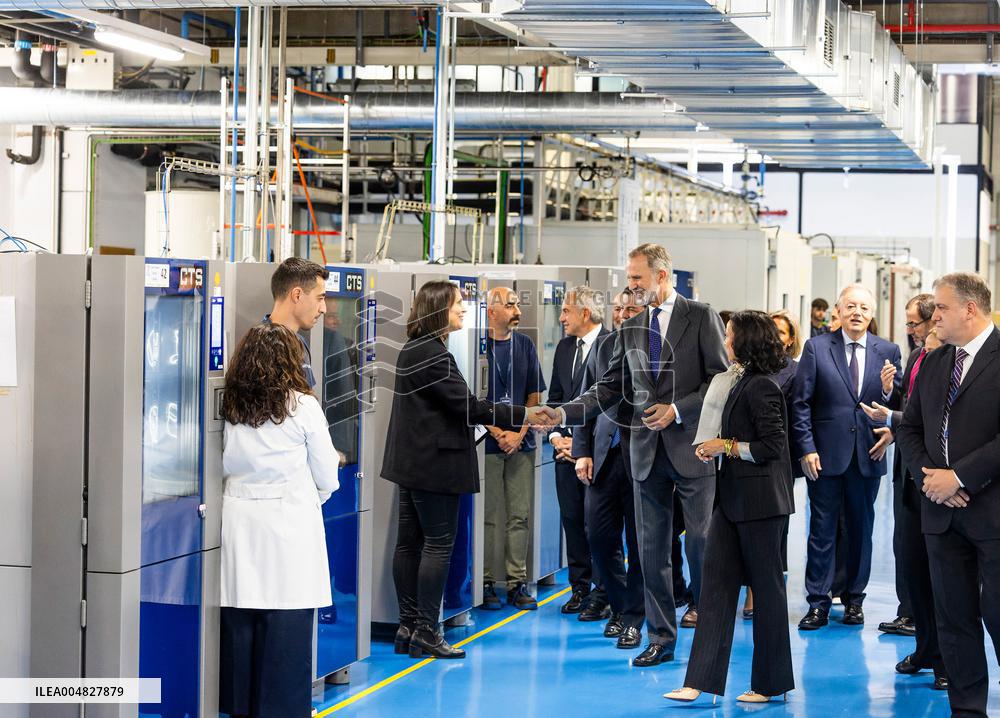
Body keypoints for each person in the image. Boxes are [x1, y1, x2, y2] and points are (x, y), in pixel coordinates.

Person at [545, 243, 728, 667]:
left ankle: (711, 628)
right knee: (651, 550)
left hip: (691, 451)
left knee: (700, 544)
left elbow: (720, 381)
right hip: (644, 454)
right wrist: (562, 412)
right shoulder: (631, 329)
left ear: (661, 277)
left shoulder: (700, 317)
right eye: (628, 279)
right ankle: (661, 637)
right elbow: (607, 388)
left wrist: (677, 409)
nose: (630, 287)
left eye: (636, 279)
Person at [382, 281, 546, 659]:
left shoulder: (414, 349)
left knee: (409, 543)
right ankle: (426, 629)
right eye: (457, 304)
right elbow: (469, 406)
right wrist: (524, 413)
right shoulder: (433, 355)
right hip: (434, 466)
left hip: (411, 463)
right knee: (437, 545)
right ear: (439, 309)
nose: (463, 309)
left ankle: (408, 626)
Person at [664, 311, 794, 705]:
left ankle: (771, 684)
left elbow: (773, 447)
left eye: (730, 335)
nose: (725, 341)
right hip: (732, 502)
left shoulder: (762, 388)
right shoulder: (737, 380)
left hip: (762, 505)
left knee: (767, 592)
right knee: (716, 590)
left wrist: (727, 446)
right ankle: (699, 681)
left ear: (746, 341)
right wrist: (715, 444)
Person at [219, 323, 341, 718]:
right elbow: (327, 474)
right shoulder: (302, 407)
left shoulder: (229, 406)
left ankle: (240, 707)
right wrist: (306, 498)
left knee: (240, 623)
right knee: (286, 633)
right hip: (289, 528)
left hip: (238, 522)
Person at [897, 272, 1000, 718]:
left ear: (969, 309)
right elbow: (910, 427)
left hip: (993, 514)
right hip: (941, 514)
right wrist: (931, 478)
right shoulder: (936, 362)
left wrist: (959, 477)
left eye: (940, 308)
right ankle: (968, 710)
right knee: (954, 622)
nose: (931, 317)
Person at [791, 284, 902, 630]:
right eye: (850, 306)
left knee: (860, 531)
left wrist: (887, 390)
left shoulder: (889, 350)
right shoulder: (816, 348)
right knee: (821, 532)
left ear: (872, 315)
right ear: (837, 311)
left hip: (868, 454)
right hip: (825, 456)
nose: (857, 312)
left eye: (864, 308)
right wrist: (806, 447)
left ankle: (855, 600)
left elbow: (898, 404)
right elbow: (801, 403)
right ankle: (818, 602)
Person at [860, 293, 948, 691]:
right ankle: (925, 647)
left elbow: (937, 419)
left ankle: (947, 660)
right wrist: (892, 394)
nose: (909, 331)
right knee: (910, 564)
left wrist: (893, 416)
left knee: (941, 575)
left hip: (938, 479)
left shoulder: (951, 361)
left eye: (915, 323)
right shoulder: (914, 359)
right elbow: (910, 411)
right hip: (907, 477)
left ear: (935, 322)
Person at [570, 287, 644, 645]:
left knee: (642, 542)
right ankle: (619, 603)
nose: (624, 313)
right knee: (599, 538)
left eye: (632, 308)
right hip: (604, 457)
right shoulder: (602, 347)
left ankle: (632, 617)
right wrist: (582, 450)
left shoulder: (656, 348)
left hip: (643, 459)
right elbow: (586, 401)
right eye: (620, 308)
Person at [481, 286, 546, 611]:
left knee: (518, 515)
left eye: (517, 304)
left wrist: (519, 434)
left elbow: (534, 395)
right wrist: (497, 432)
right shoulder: (481, 347)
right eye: (510, 305)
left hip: (523, 443)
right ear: (492, 312)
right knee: (490, 515)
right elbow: (474, 398)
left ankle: (517, 582)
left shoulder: (525, 345)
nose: (516, 310)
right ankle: (487, 581)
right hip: (489, 445)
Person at [548, 285, 608, 618]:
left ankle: (603, 592)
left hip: (598, 454)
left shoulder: (612, 346)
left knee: (597, 525)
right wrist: (558, 436)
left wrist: (584, 445)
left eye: (566, 311)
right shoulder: (564, 348)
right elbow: (557, 398)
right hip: (564, 453)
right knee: (571, 520)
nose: (561, 318)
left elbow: (612, 405)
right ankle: (579, 587)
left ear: (585, 313)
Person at [264, 257, 330, 388]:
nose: (324, 309)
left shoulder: (299, 343)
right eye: (320, 298)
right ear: (297, 295)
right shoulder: (262, 348)